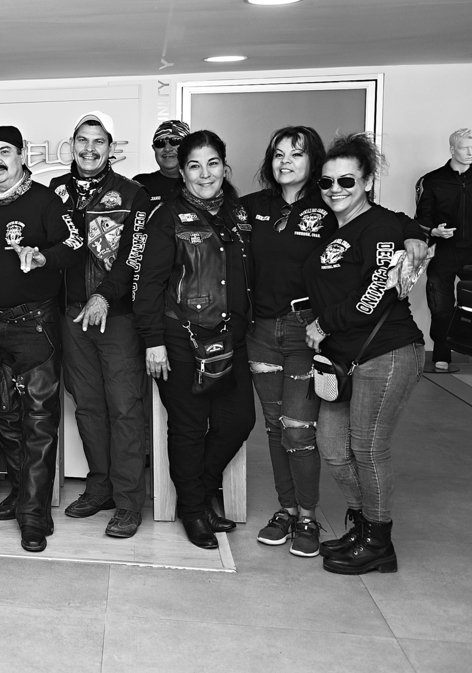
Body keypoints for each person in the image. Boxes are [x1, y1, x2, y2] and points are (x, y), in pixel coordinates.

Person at [304, 133, 425, 575]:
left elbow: (375, 293)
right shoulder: (342, 226)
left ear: (368, 181)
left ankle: (378, 543)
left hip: (386, 352)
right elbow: (404, 223)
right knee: (333, 445)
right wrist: (414, 229)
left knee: (368, 448)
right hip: (345, 359)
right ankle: (361, 525)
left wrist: (323, 324)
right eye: (327, 181)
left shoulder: (378, 226)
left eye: (347, 180)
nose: (335, 189)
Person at [131, 130, 255, 550]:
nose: (205, 174)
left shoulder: (240, 213)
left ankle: (200, 491)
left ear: (225, 167)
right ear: (182, 172)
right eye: (195, 166)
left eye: (212, 164)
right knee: (187, 428)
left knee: (238, 421)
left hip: (231, 339)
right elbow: (148, 284)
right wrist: (153, 341)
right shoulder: (166, 217)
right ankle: (193, 511)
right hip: (180, 340)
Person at [0, 125, 85, 552]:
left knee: (39, 420)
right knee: (5, 414)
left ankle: (35, 514)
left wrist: (42, 256)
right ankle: (23, 493)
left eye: (5, 151)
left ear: (22, 155)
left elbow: (75, 244)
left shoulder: (45, 200)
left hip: (35, 326)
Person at [46, 111, 152, 538]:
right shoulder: (54, 191)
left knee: (125, 408)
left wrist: (104, 295)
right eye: (82, 140)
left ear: (112, 148)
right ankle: (100, 488)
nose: (90, 149)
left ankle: (128, 502)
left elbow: (134, 254)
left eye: (99, 141)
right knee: (88, 406)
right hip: (71, 316)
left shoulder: (133, 193)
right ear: (71, 145)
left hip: (118, 316)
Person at [242, 126, 331, 556]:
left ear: (313, 161)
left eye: (296, 154)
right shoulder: (253, 207)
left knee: (299, 430)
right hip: (260, 331)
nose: (285, 162)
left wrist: (412, 234)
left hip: (305, 331)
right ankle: (287, 510)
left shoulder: (330, 205)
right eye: (278, 154)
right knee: (275, 427)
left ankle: (309, 517)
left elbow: (379, 221)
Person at [417, 127, 472, 372]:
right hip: (444, 253)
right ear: (451, 149)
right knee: (440, 307)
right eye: (464, 147)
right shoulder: (432, 180)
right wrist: (433, 231)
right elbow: (421, 218)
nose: (470, 152)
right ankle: (442, 355)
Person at [133, 120, 190, 205]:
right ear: (154, 148)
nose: (167, 149)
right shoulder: (140, 184)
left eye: (175, 141)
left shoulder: (200, 182)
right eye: (160, 143)